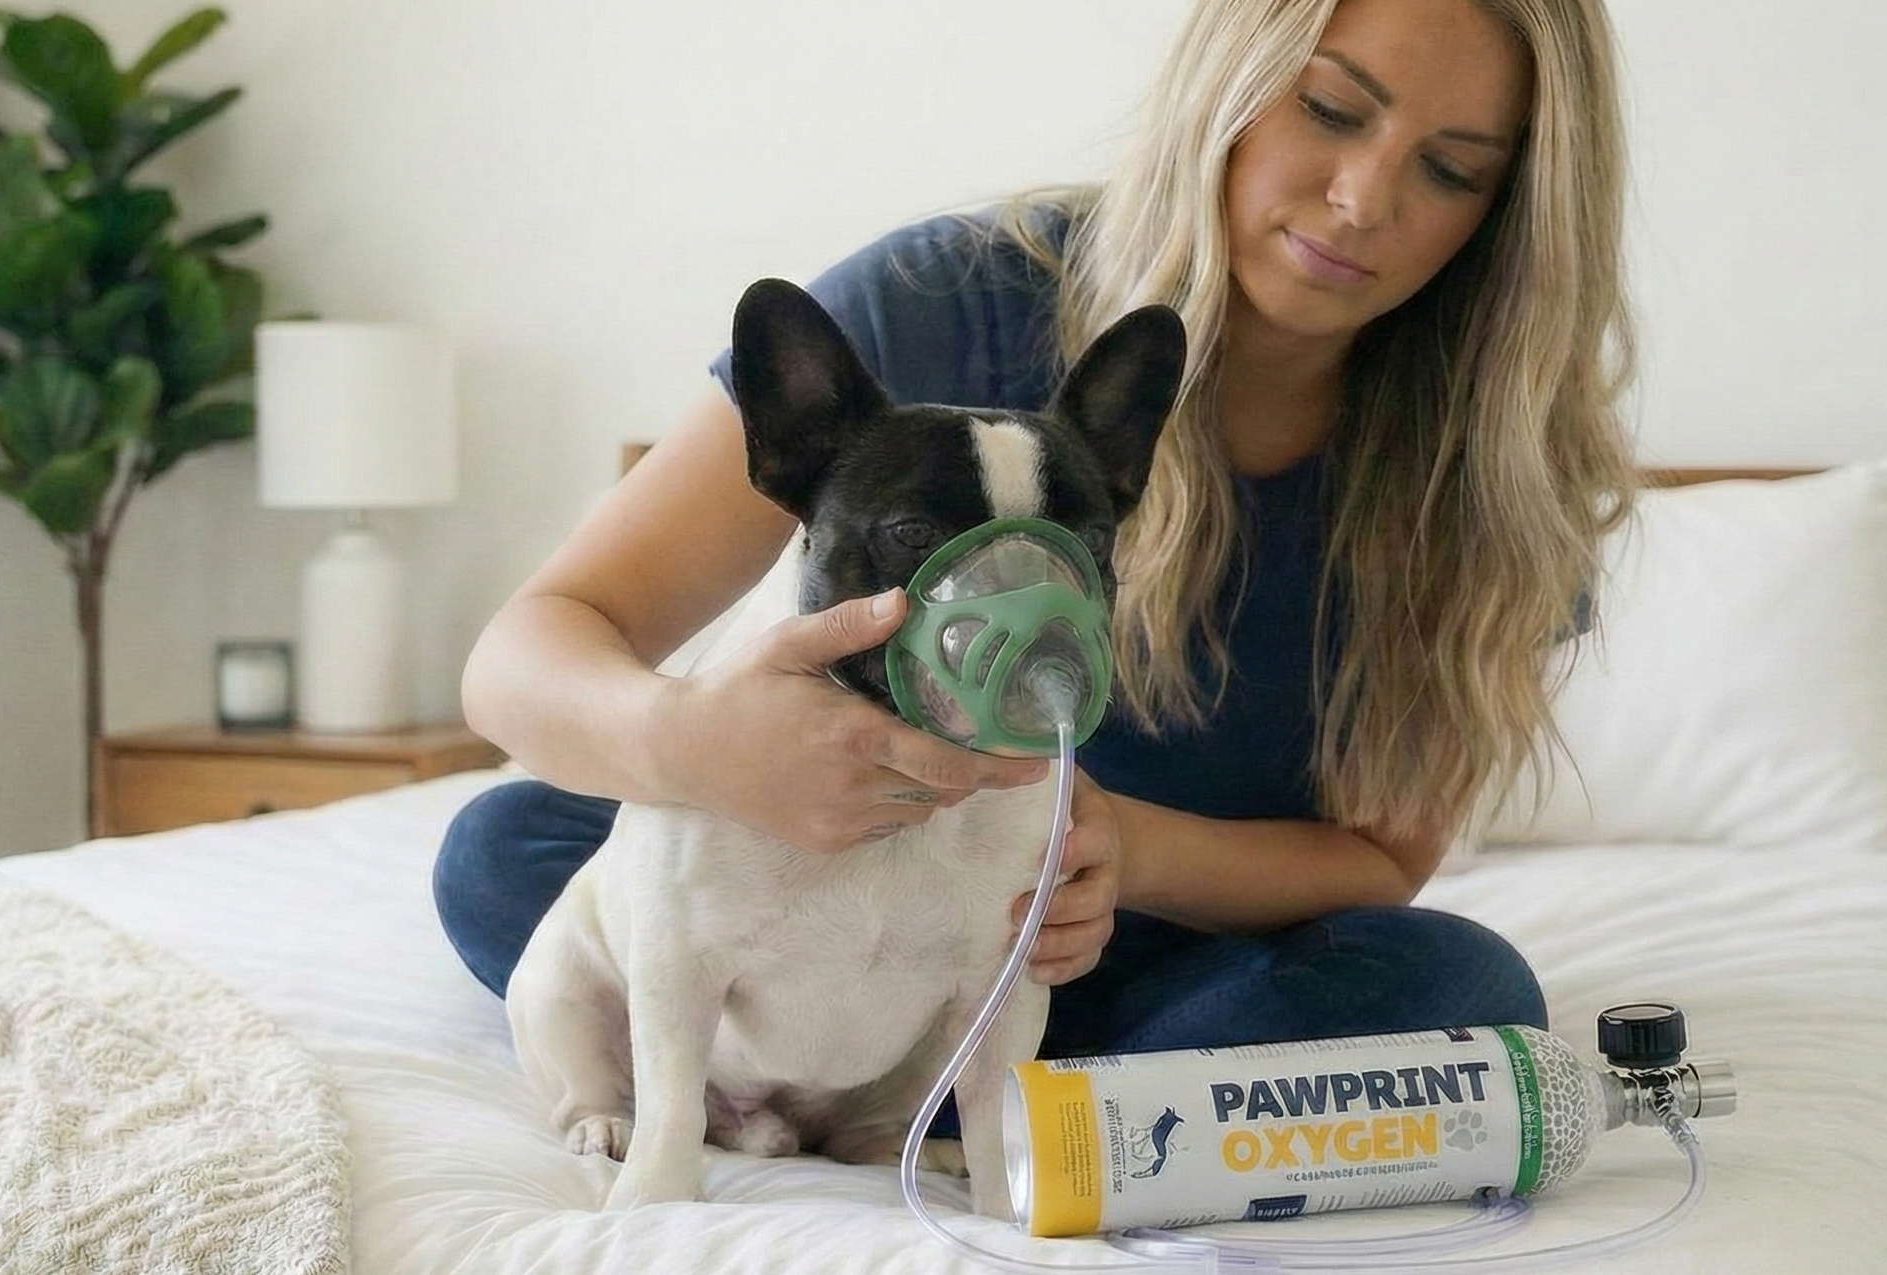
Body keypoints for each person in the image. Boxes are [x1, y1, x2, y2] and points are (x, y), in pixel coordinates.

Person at [438, 0, 1635, 1067]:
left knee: (1455, 987)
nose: (1361, 199)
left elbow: (1380, 865)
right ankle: (1028, 1110)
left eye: (1451, 171)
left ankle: (941, 1094)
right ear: (1229, 79)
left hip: (1129, 960)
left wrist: (1116, 851)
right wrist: (690, 744)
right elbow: (524, 658)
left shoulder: (1493, 469)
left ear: (1506, 213)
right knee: (511, 843)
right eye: (1327, 110)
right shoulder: (940, 304)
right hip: (820, 910)